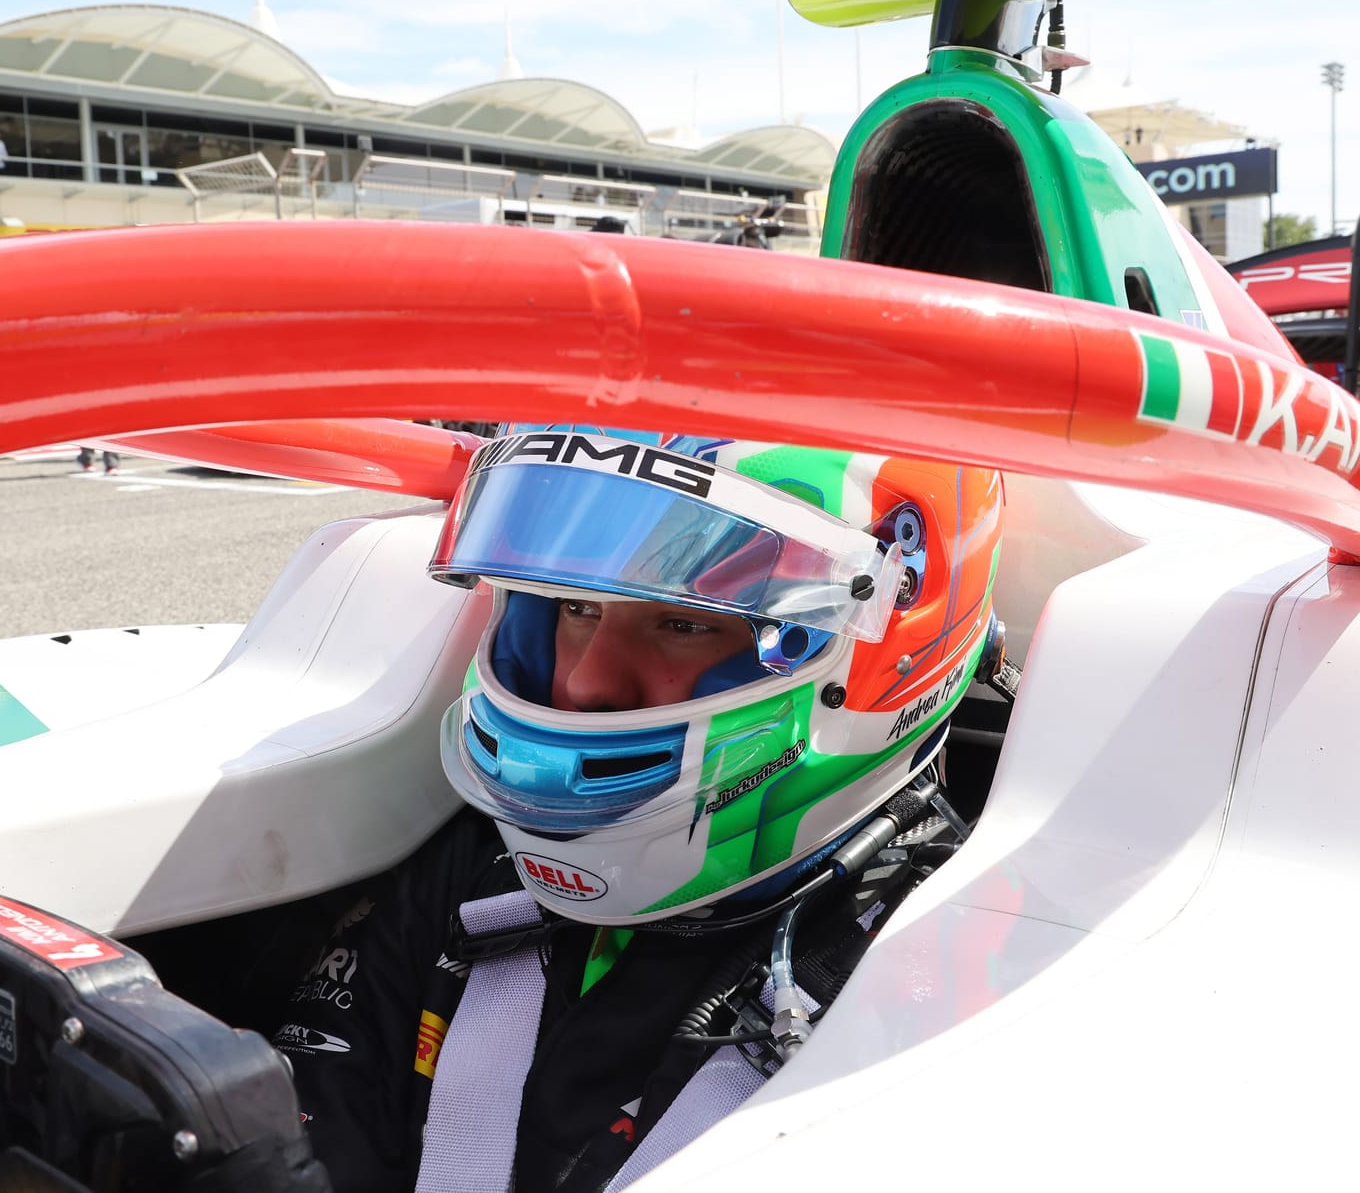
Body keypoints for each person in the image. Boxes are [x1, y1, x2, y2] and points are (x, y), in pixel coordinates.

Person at [272, 426, 1008, 1192]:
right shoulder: (474, 874)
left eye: (682, 621)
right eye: (576, 607)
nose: (588, 683)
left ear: (881, 646)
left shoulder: (943, 981)